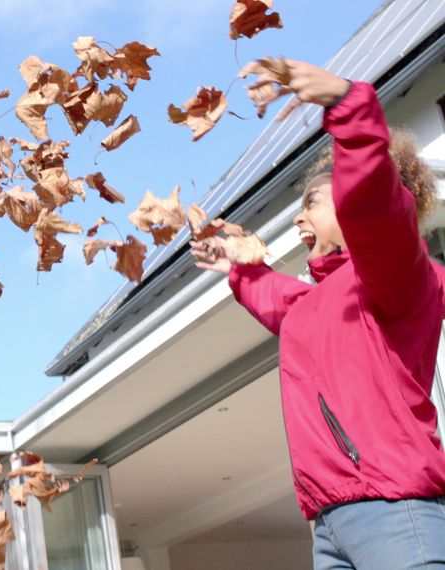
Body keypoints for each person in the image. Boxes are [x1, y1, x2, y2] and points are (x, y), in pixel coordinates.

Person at [192, 60, 445, 569]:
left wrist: (348, 107)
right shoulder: (316, 299)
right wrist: (238, 271)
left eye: (312, 202)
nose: (299, 216)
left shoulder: (395, 271)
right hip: (330, 524)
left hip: (393, 509)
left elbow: (375, 206)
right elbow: (283, 303)